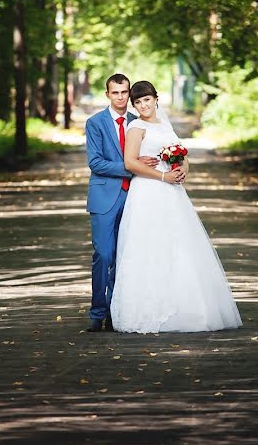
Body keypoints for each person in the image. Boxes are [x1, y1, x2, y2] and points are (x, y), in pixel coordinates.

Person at [110, 81, 242, 333]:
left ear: (155, 99)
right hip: (148, 191)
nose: (143, 105)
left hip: (173, 192)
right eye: (137, 102)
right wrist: (162, 176)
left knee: (179, 244)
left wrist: (183, 169)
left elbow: (181, 156)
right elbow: (130, 163)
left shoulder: (164, 124)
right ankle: (148, 309)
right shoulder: (136, 126)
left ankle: (187, 307)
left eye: (146, 100)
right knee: (150, 246)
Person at [85, 74, 159, 332]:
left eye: (124, 92)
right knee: (104, 254)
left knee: (126, 256)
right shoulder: (95, 123)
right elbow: (95, 163)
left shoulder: (138, 123)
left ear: (129, 94)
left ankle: (117, 311)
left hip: (136, 197)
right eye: (115, 93)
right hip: (104, 197)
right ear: (107, 94)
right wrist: (132, 167)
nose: (120, 97)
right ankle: (97, 311)